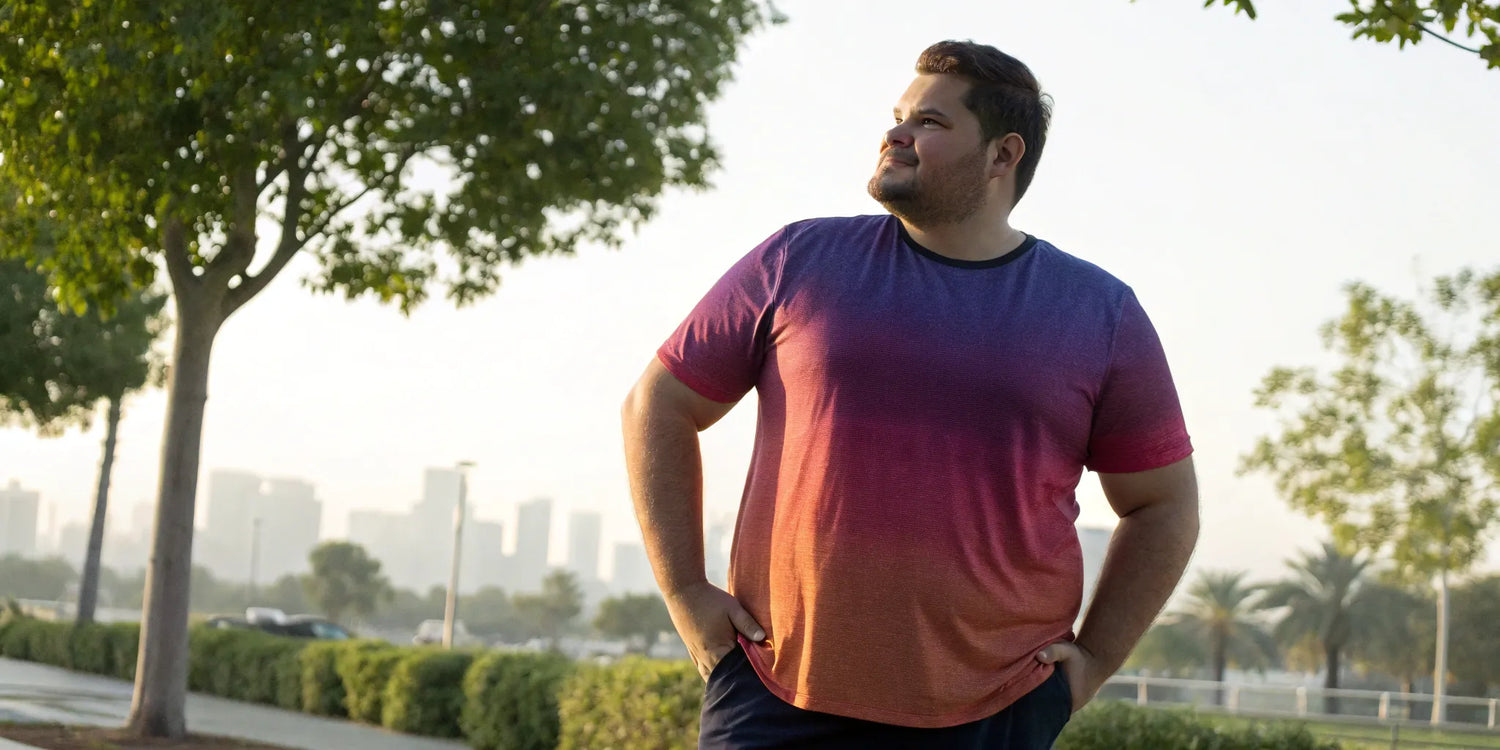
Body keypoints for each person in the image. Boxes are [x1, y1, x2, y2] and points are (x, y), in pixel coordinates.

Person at [621, 39, 1199, 750]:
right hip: (775, 693)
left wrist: (1095, 662)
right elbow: (659, 404)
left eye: (930, 122)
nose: (896, 133)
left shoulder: (1099, 313)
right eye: (898, 116)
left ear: (1002, 155)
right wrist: (684, 593)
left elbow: (1163, 503)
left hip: (995, 710)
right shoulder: (798, 260)